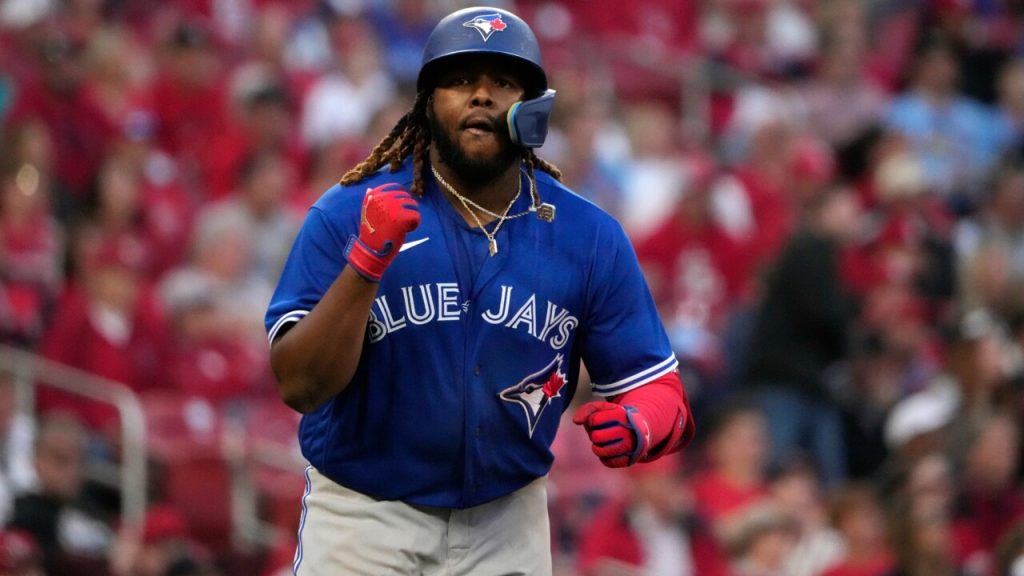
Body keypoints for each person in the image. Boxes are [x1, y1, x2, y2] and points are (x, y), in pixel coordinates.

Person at [264, 6, 695, 574]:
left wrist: (641, 424)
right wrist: (364, 265)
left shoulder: (588, 236)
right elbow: (298, 384)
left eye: (504, 81)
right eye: (461, 79)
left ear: (533, 108)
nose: (482, 96)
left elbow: (663, 393)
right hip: (366, 513)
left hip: (506, 520)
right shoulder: (348, 213)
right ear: (426, 103)